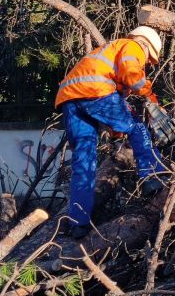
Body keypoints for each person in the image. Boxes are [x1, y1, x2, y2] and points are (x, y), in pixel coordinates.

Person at [55, 26, 168, 238]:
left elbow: (115, 108)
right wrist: (151, 99)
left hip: (69, 99)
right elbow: (133, 76)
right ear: (146, 45)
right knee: (137, 127)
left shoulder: (109, 51)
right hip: (95, 91)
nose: (146, 63)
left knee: (84, 160)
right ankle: (153, 177)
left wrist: (117, 138)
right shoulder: (133, 46)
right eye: (149, 59)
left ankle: (78, 223)